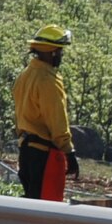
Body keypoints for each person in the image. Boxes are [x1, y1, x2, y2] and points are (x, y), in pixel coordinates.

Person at [13, 24, 77, 201]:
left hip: (25, 151)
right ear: (53, 52)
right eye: (60, 51)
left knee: (31, 208)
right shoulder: (48, 81)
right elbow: (57, 120)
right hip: (44, 156)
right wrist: (69, 152)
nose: (61, 56)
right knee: (47, 211)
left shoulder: (25, 75)